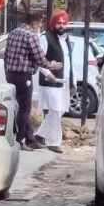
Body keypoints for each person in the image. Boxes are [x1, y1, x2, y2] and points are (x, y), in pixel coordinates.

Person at [4, 6, 61, 150]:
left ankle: (30, 138)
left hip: (11, 74)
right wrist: (52, 65)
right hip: (24, 76)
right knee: (25, 108)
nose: (40, 26)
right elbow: (40, 58)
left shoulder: (13, 32)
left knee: (18, 106)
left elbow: (6, 55)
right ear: (35, 22)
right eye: (40, 23)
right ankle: (20, 140)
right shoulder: (31, 35)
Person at [36, 10, 73, 153]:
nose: (61, 25)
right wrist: (48, 72)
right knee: (56, 110)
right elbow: (39, 60)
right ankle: (53, 142)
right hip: (50, 80)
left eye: (64, 23)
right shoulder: (45, 37)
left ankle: (39, 135)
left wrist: (73, 82)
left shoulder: (66, 39)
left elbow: (68, 62)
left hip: (63, 81)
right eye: (59, 23)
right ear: (53, 23)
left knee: (60, 110)